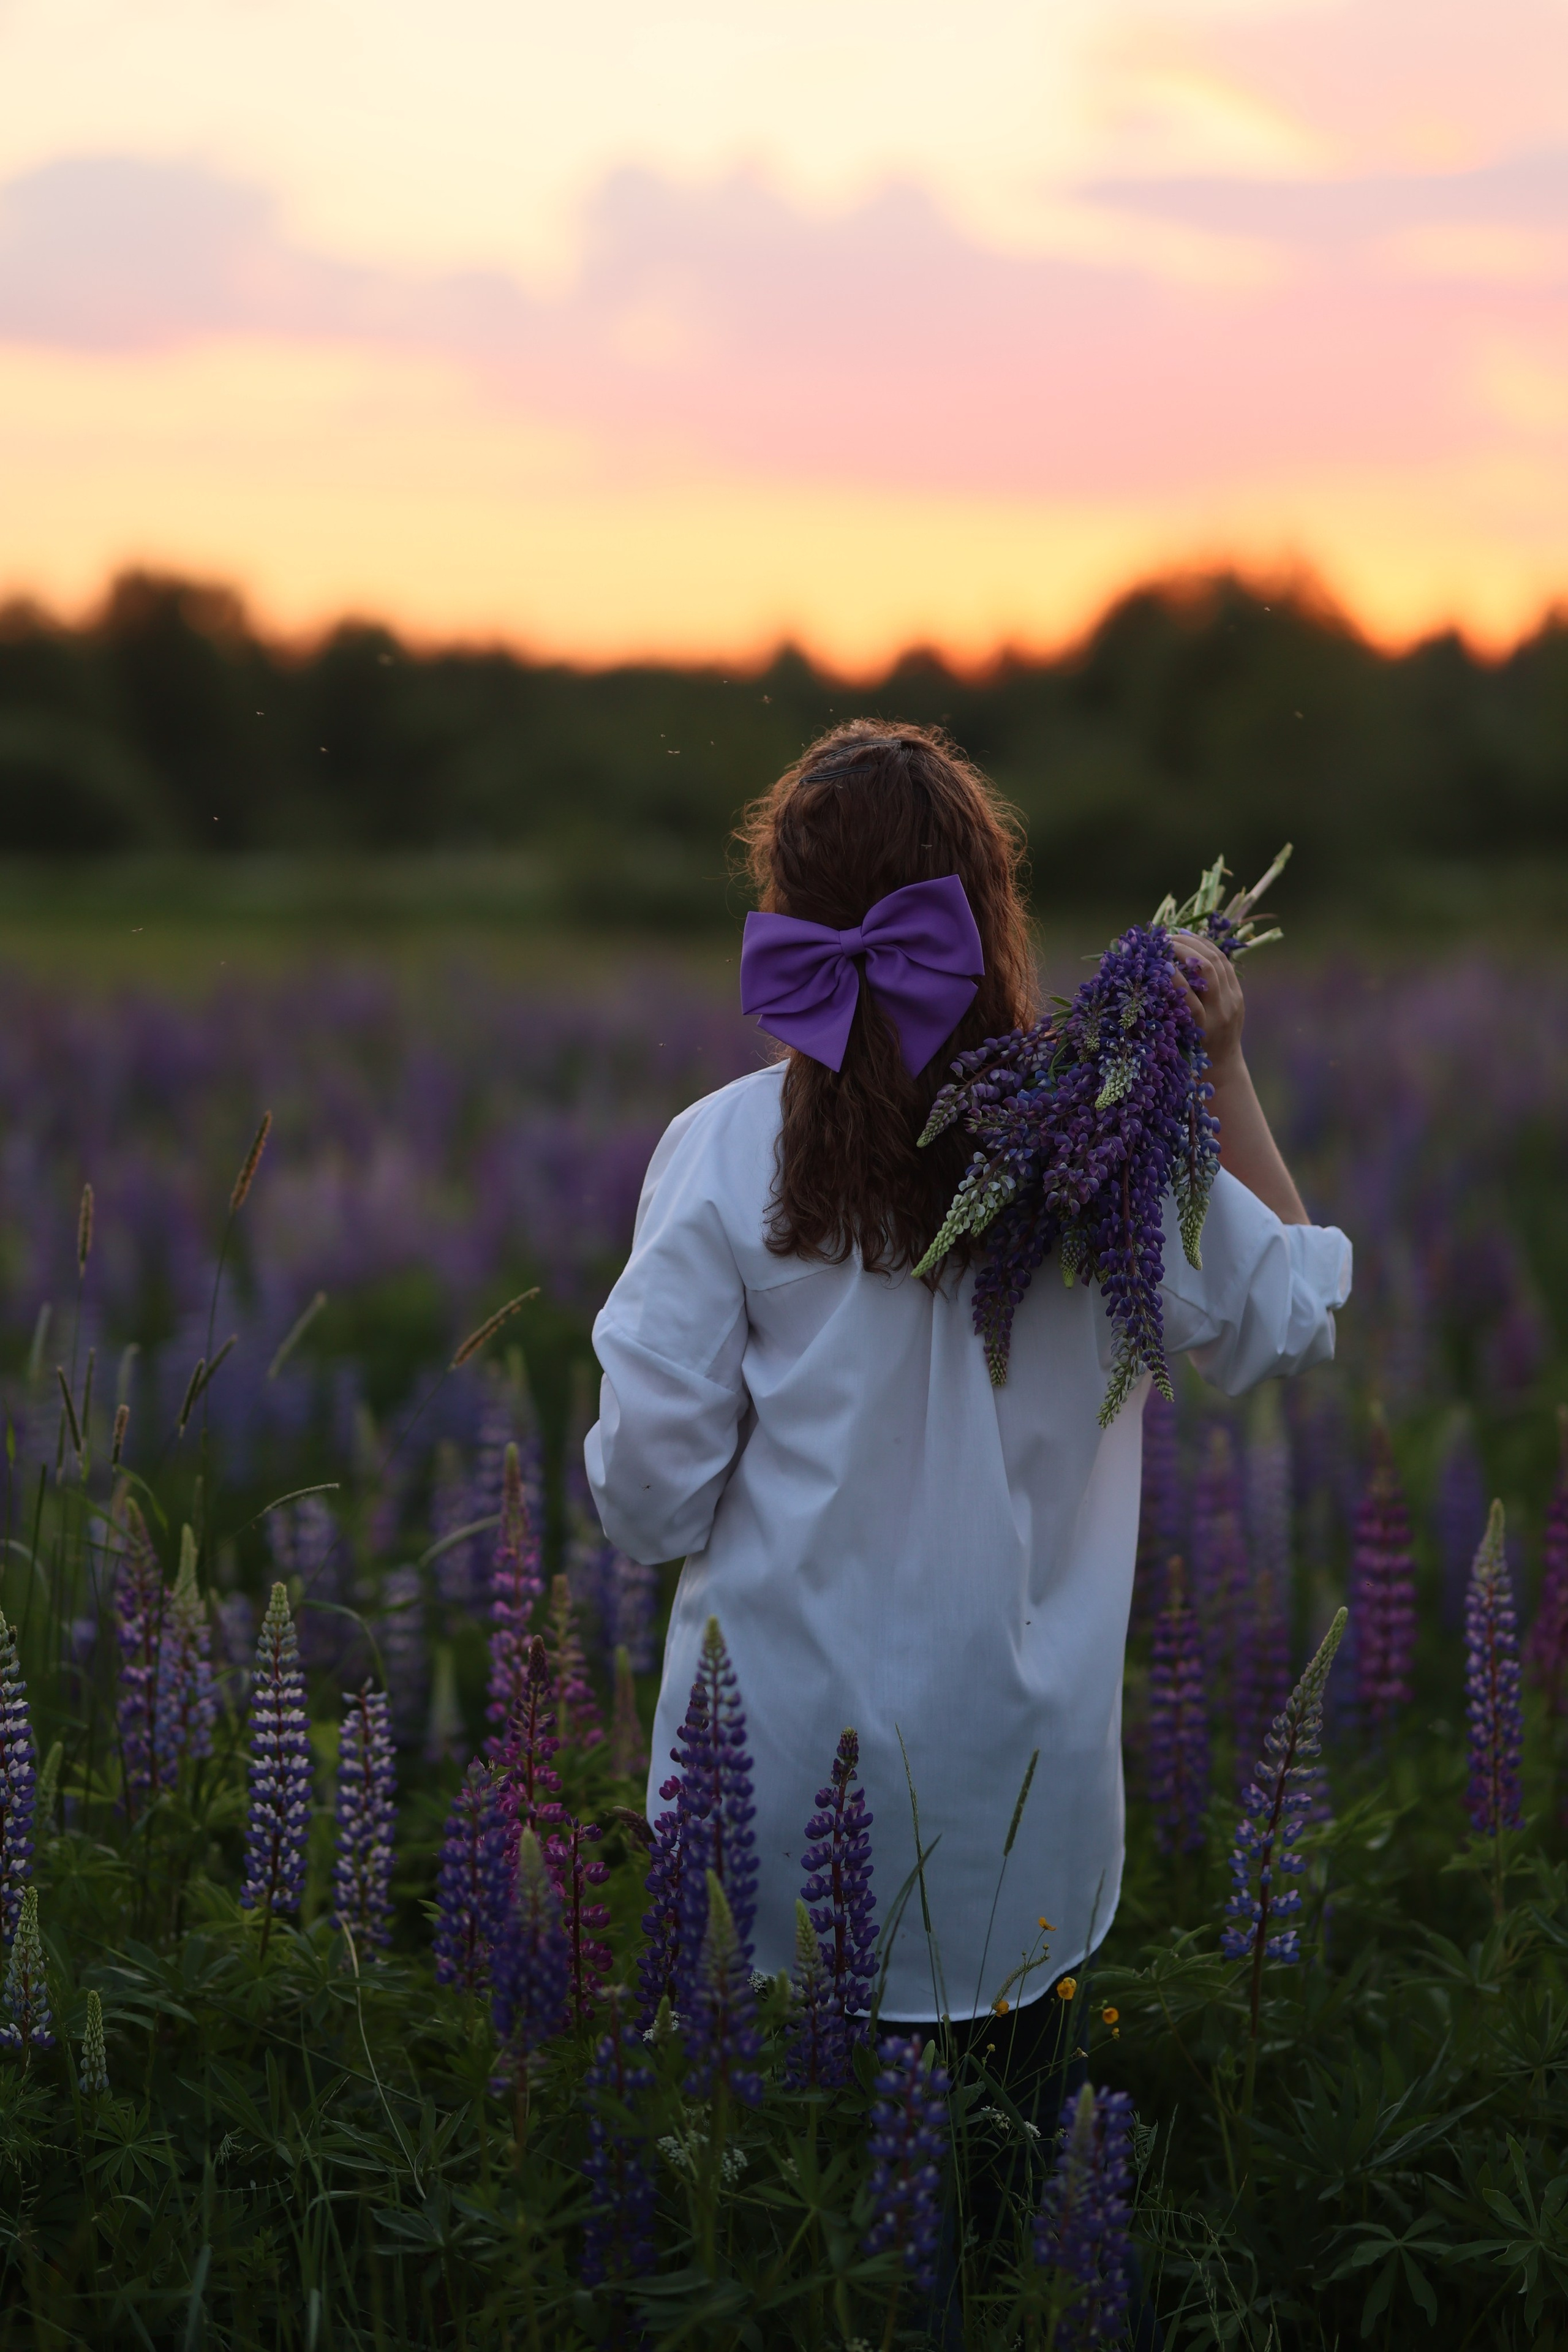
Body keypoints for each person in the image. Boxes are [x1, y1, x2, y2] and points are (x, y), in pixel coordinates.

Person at [586, 719, 1350, 2056]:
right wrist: (1218, 1070)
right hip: (1020, 1821)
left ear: (789, 924)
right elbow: (1285, 1315)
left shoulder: (716, 1153)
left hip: (759, 1798)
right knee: (1019, 2237)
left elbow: (646, 1502)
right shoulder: (1102, 1147)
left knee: (780, 2231)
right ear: (991, 917)